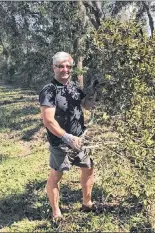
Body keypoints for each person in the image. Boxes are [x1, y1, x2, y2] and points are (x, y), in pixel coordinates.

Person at [39, 52, 97, 221]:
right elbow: (48, 121)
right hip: (61, 142)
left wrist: (92, 96)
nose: (65, 70)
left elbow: (85, 106)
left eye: (68, 67)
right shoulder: (48, 91)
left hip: (81, 139)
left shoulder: (74, 86)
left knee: (88, 168)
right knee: (56, 177)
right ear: (54, 67)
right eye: (61, 66)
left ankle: (87, 203)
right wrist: (67, 138)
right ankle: (56, 211)